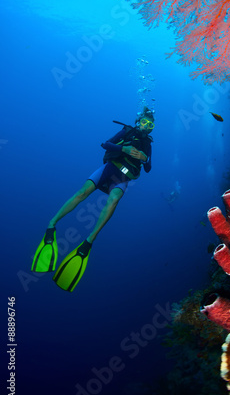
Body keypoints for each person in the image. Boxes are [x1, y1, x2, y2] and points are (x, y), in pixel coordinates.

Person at [31, 107, 155, 291]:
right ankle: (52, 224)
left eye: (150, 124)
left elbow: (148, 168)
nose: (146, 126)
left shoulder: (148, 145)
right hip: (109, 169)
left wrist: (145, 158)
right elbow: (106, 144)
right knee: (82, 193)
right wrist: (125, 148)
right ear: (138, 121)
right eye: (144, 122)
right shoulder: (127, 131)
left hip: (123, 178)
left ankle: (89, 240)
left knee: (114, 200)